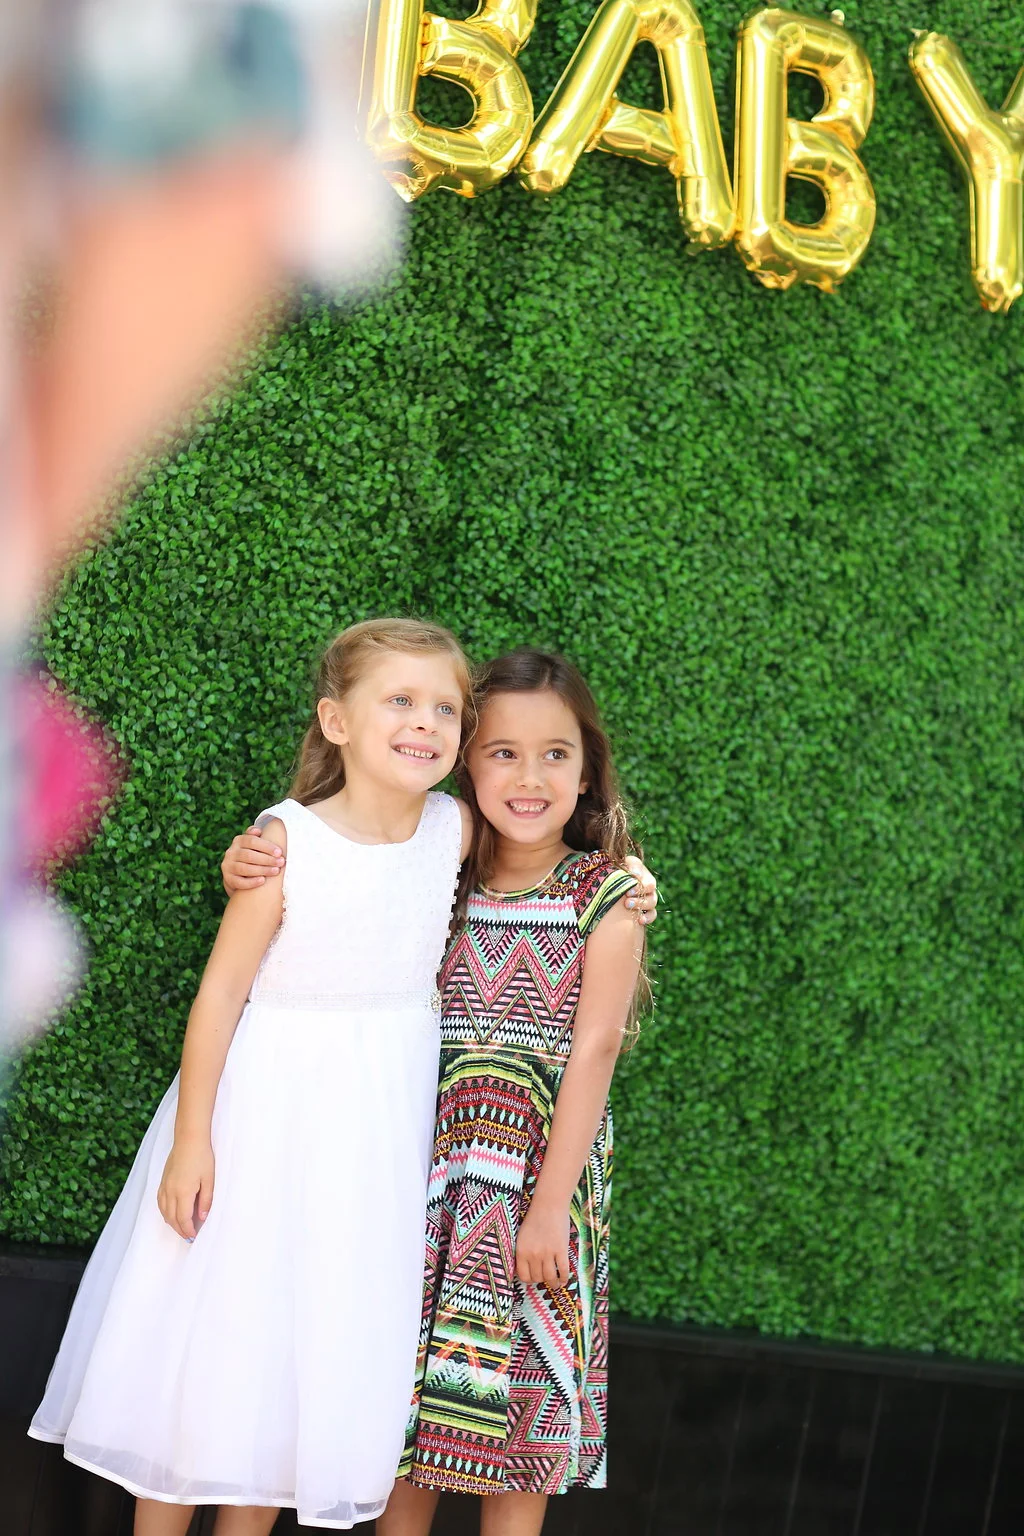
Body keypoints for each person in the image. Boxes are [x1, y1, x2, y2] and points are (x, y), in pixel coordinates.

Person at [29, 616, 475, 1534]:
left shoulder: (453, 829)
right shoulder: (285, 842)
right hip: (262, 1124)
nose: (426, 723)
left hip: (372, 1147)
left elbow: (550, 843)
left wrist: (624, 874)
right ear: (336, 721)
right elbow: (221, 995)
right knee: (211, 1346)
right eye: (401, 700)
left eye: (446, 708)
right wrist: (192, 1141)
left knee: (298, 1362)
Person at [224, 647, 654, 1536]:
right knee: (411, 1417)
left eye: (556, 755)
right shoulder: (443, 867)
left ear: (588, 771)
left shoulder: (603, 894)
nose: (529, 777)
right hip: (429, 1186)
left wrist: (549, 1208)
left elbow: (597, 1049)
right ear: (467, 766)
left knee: (519, 1417)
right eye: (503, 753)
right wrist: (253, 856)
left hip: (539, 1190)